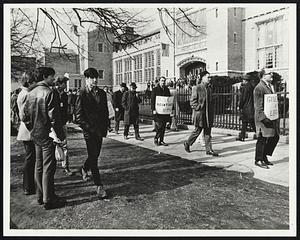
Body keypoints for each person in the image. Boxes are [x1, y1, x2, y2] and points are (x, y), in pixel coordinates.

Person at [22, 67, 66, 210]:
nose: (53, 80)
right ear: (45, 77)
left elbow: (24, 117)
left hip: (36, 135)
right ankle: (48, 199)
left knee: (39, 166)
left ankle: (40, 196)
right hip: (47, 135)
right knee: (48, 167)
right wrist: (60, 136)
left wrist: (32, 129)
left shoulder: (30, 93)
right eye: (52, 77)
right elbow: (54, 118)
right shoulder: (49, 92)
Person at [75, 67, 109, 199]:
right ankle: (99, 186)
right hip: (89, 131)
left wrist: (106, 126)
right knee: (94, 158)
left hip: (100, 130)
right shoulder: (81, 94)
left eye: (96, 77)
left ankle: (83, 168)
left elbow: (105, 111)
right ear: (86, 79)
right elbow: (78, 117)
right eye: (91, 78)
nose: (95, 80)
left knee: (96, 155)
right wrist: (89, 128)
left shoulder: (102, 93)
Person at [183, 70, 219, 156]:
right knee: (197, 131)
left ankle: (209, 149)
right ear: (202, 78)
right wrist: (199, 107)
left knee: (208, 132)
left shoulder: (210, 88)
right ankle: (187, 143)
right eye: (208, 77)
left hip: (208, 114)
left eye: (210, 77)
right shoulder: (197, 87)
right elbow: (192, 102)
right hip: (200, 114)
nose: (209, 79)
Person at [17, 70, 38, 195]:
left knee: (30, 158)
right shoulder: (26, 94)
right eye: (34, 81)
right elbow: (25, 115)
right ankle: (28, 186)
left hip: (27, 130)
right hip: (28, 130)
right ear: (30, 82)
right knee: (30, 159)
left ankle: (29, 185)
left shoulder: (23, 93)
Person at [253, 69, 280, 169]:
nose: (271, 74)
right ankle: (258, 160)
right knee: (262, 138)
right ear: (263, 76)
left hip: (270, 117)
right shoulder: (259, 88)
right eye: (269, 73)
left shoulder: (270, 86)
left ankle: (264, 157)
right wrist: (263, 119)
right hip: (263, 118)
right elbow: (258, 106)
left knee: (274, 137)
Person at [52, 76, 74, 176]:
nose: (65, 85)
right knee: (52, 146)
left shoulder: (65, 95)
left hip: (62, 124)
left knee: (64, 146)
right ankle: (51, 168)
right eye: (64, 83)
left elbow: (66, 109)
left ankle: (65, 167)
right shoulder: (52, 93)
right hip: (53, 125)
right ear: (59, 84)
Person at [151, 76, 171, 146]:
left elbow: (169, 100)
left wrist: (171, 109)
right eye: (162, 81)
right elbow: (153, 101)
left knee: (164, 126)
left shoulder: (167, 89)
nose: (163, 82)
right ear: (159, 81)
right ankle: (156, 138)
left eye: (164, 81)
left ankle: (161, 140)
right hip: (158, 111)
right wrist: (153, 109)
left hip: (165, 111)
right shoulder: (155, 90)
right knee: (160, 126)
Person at [236, 74, 257, 141]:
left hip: (246, 108)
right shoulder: (252, 87)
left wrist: (240, 106)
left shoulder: (245, 87)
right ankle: (258, 134)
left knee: (245, 123)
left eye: (243, 80)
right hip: (252, 107)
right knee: (251, 122)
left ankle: (242, 137)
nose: (243, 81)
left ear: (245, 80)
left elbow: (243, 98)